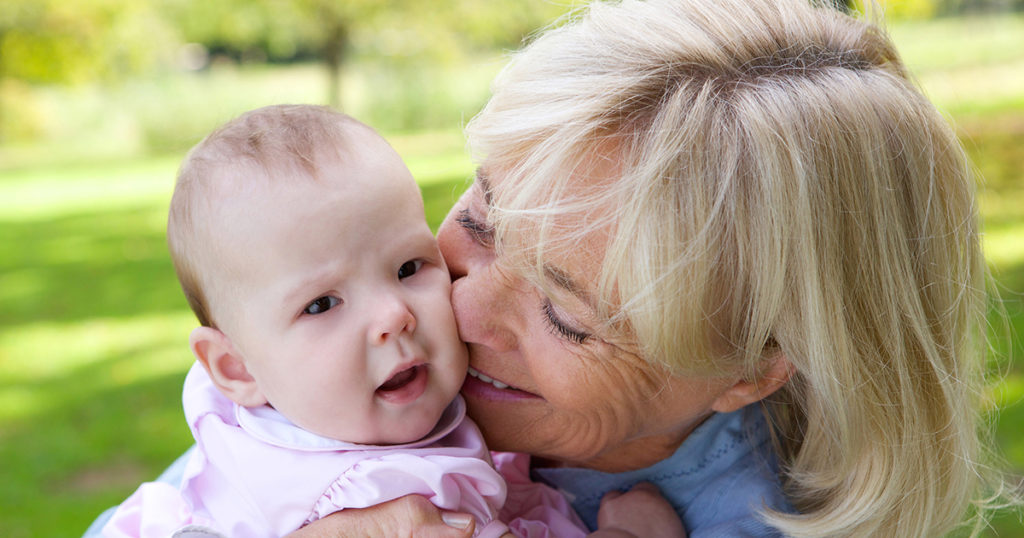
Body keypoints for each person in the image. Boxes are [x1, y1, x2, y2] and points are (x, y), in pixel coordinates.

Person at [88, 0, 1021, 536]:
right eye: (483, 224)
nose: (456, 306)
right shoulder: (358, 399)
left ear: (750, 369)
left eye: (570, 318)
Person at [97, 105, 594, 538]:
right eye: (321, 305)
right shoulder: (383, 494)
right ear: (236, 369)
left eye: (407, 268)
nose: (394, 316)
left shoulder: (257, 429)